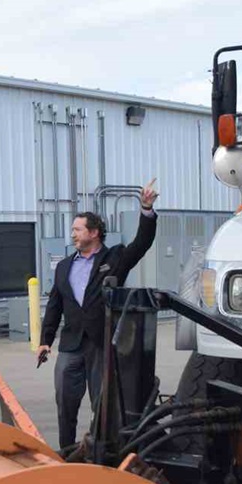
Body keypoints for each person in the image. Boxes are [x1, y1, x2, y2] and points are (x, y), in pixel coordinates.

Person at [37, 180, 160, 450]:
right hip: (71, 345)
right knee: (65, 401)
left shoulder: (114, 258)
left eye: (77, 230)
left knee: (102, 404)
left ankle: (99, 451)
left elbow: (142, 243)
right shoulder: (64, 267)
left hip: (101, 343)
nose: (72, 234)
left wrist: (147, 209)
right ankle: (66, 450)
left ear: (94, 233)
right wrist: (46, 339)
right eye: (72, 230)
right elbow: (55, 305)